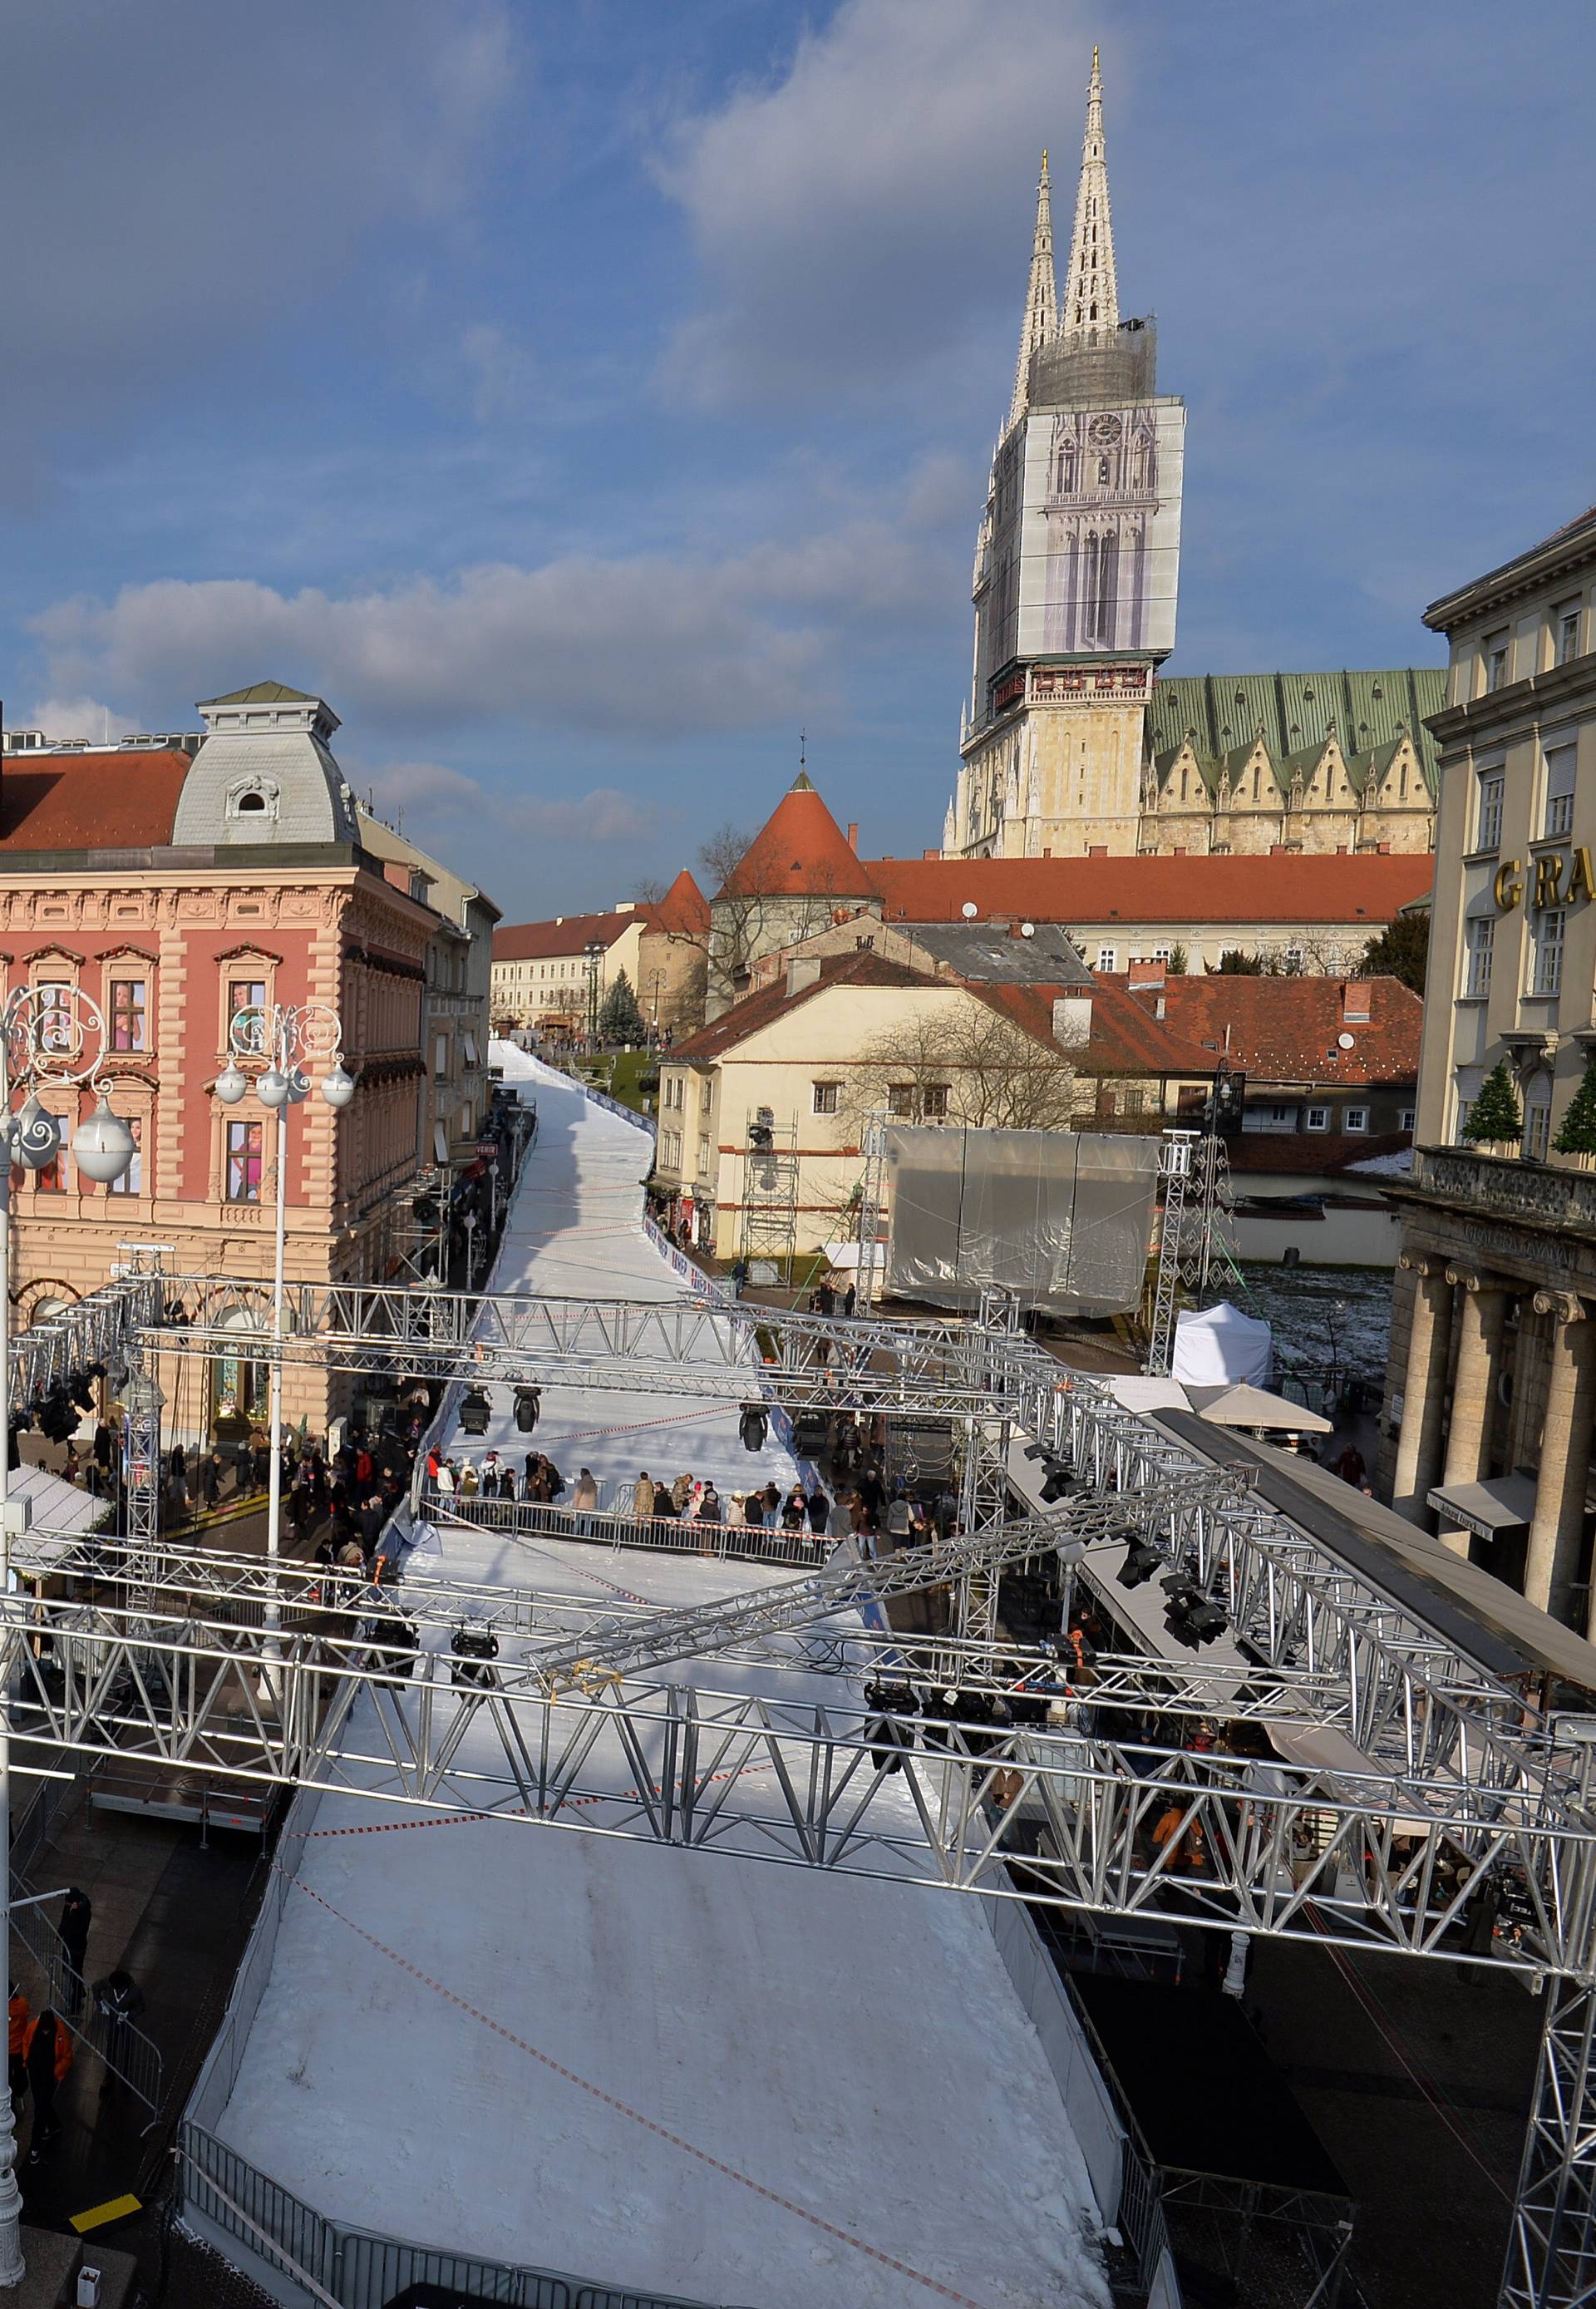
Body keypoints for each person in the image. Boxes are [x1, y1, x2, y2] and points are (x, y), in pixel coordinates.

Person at [23, 2009, 71, 2161]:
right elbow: (25, 2042)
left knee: (40, 2110)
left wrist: (55, 2072)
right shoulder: (33, 2027)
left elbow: (67, 2056)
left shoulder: (60, 2032)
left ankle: (35, 2146)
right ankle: (54, 2124)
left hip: (50, 2077)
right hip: (36, 2073)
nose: (44, 2032)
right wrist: (27, 2061)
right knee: (41, 2103)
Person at [91, 1969, 145, 2097]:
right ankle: (109, 2074)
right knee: (111, 2046)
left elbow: (141, 2007)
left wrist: (128, 2015)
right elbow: (95, 1987)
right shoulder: (110, 1981)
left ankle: (126, 2077)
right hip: (112, 2019)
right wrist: (100, 2004)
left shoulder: (135, 1991)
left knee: (127, 2048)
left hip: (126, 2022)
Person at [59, 1887, 91, 2017]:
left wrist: (73, 1913)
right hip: (70, 1944)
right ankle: (79, 1992)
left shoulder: (82, 1912)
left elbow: (74, 1929)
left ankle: (76, 2001)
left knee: (75, 1972)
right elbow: (64, 1920)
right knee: (68, 1970)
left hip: (77, 1947)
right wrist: (60, 1933)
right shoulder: (71, 1906)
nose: (66, 1905)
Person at [7, 1982, 27, 2099]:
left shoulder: (5, 2009)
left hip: (8, 2050)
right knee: (21, 2075)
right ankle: (18, 2091)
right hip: (20, 2048)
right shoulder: (23, 2003)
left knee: (8, 2077)